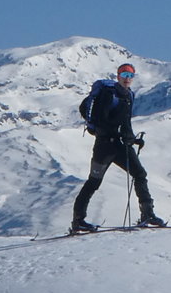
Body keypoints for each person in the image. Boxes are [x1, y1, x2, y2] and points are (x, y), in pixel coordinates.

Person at [69, 62, 165, 233]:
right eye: (124, 75)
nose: (127, 79)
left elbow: (125, 122)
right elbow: (102, 121)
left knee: (140, 174)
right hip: (105, 145)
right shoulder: (108, 94)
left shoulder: (129, 95)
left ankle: (147, 214)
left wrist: (132, 139)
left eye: (130, 76)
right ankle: (78, 220)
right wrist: (122, 135)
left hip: (120, 145)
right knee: (94, 182)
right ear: (118, 76)